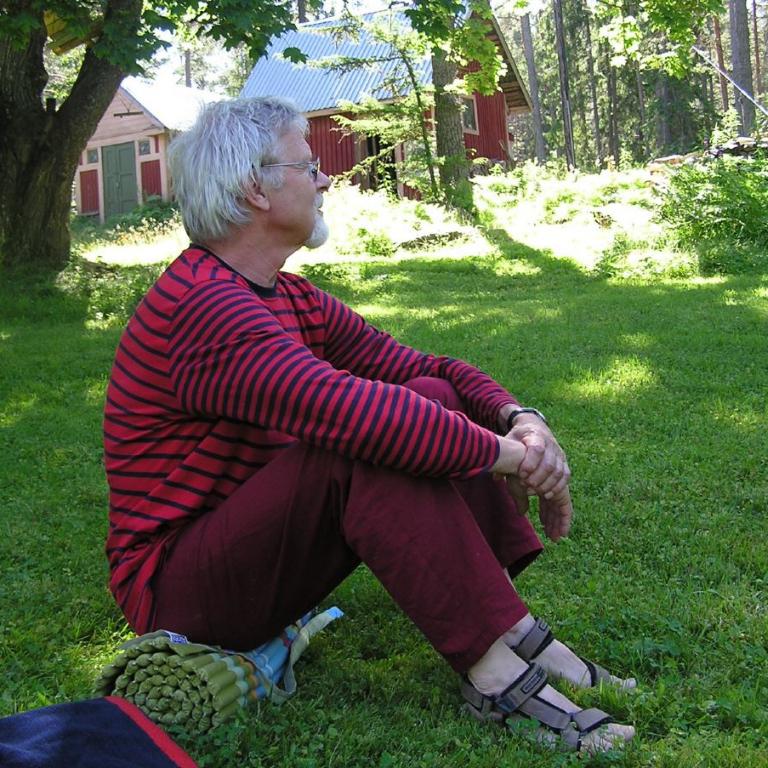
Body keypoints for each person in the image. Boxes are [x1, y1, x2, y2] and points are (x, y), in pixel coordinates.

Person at [103, 96, 635, 755]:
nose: (326, 179)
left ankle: (513, 630)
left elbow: (426, 368)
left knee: (430, 395)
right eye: (309, 166)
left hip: (250, 552)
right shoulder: (203, 307)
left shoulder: (286, 295)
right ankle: (495, 678)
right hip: (178, 595)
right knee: (361, 444)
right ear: (254, 189)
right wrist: (511, 458)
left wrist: (521, 421)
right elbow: (356, 418)